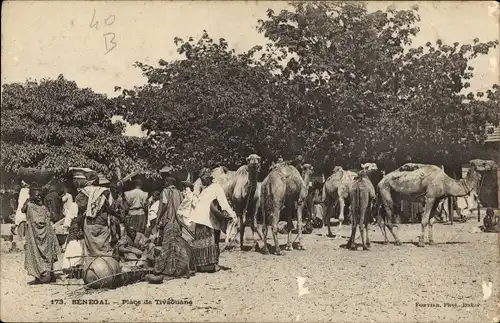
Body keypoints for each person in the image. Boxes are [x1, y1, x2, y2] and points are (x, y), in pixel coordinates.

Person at [146, 176, 195, 283]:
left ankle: (165, 268)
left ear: (168, 182)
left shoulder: (165, 191)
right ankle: (179, 268)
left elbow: (162, 206)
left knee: (167, 246)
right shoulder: (179, 192)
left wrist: (158, 218)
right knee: (176, 245)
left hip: (168, 222)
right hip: (177, 223)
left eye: (165, 181)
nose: (164, 183)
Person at [190, 168, 237, 273]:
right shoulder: (205, 190)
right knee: (201, 242)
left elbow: (223, 202)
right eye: (201, 179)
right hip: (201, 220)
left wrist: (231, 214)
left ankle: (211, 264)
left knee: (211, 242)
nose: (202, 181)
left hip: (209, 221)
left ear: (208, 178)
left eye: (203, 179)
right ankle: (202, 264)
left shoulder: (216, 187)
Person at [22, 184, 61, 284]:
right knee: (36, 255)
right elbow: (24, 210)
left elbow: (47, 217)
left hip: (46, 236)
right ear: (31, 196)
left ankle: (50, 274)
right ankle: (39, 275)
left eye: (40, 195)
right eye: (36, 195)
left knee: (49, 254)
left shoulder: (43, 207)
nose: (39, 197)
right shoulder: (30, 206)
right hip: (35, 237)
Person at [75, 172, 113, 258]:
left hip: (89, 224)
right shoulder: (104, 192)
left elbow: (80, 213)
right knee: (104, 250)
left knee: (91, 251)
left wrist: (78, 228)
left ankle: (92, 268)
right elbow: (109, 209)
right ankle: (106, 267)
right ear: (96, 181)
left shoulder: (83, 193)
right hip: (101, 223)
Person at [61, 201, 83, 274]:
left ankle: (73, 268)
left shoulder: (78, 211)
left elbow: (67, 223)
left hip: (75, 235)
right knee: (75, 249)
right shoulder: (77, 208)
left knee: (74, 249)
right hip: (75, 235)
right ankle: (74, 268)